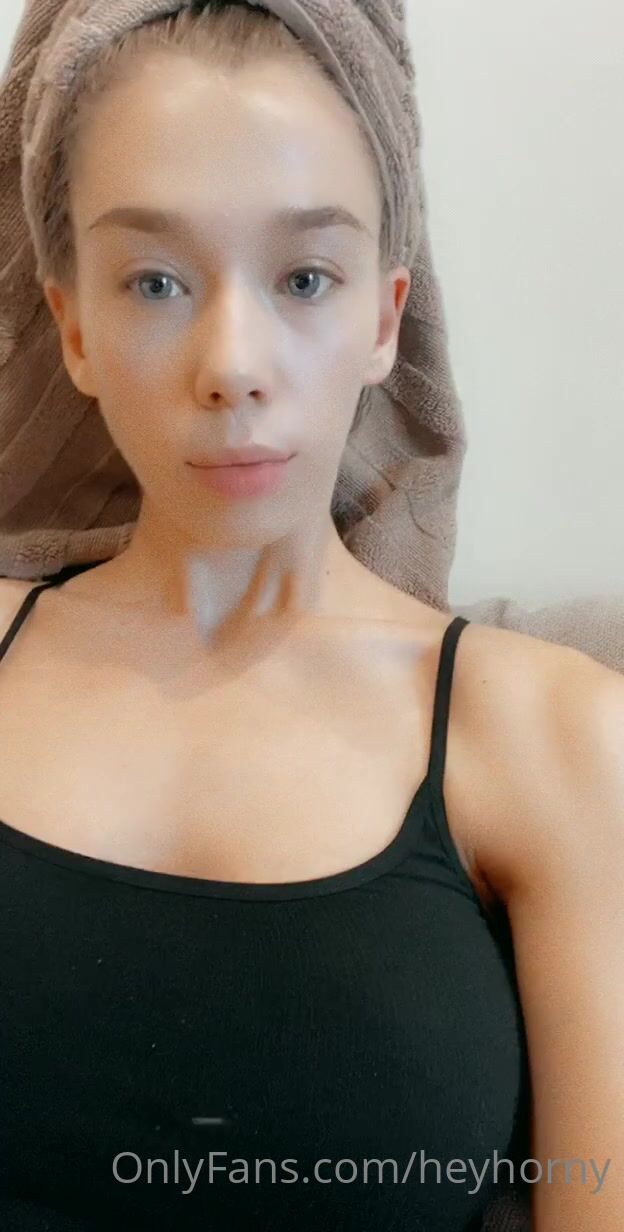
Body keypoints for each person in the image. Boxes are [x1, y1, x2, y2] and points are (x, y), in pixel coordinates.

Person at [0, 5, 622, 1230]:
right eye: (156, 280)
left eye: (304, 278)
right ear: (73, 325)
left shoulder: (553, 735)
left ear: (384, 317)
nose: (234, 362)